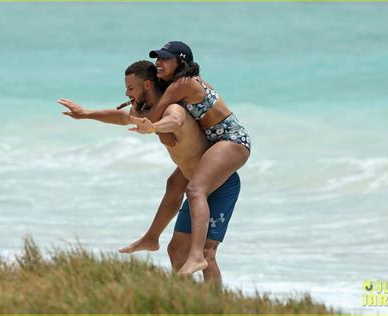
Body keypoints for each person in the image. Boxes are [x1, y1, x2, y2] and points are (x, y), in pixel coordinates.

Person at [58, 60, 240, 284]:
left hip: (220, 185)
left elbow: (175, 120)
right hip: (194, 181)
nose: (126, 93)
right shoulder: (148, 111)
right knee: (175, 249)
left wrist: (155, 128)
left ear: (147, 85)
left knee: (207, 255)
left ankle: (218, 306)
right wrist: (85, 113)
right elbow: (121, 117)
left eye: (131, 88)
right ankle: (182, 300)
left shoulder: (173, 108)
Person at [129, 42, 251, 275]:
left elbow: (154, 116)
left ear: (181, 63)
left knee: (195, 190)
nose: (159, 63)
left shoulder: (182, 84)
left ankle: (196, 256)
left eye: (165, 59)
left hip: (232, 140)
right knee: (175, 183)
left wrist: (137, 110)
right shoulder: (180, 84)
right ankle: (151, 238)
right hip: (213, 144)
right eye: (158, 59)